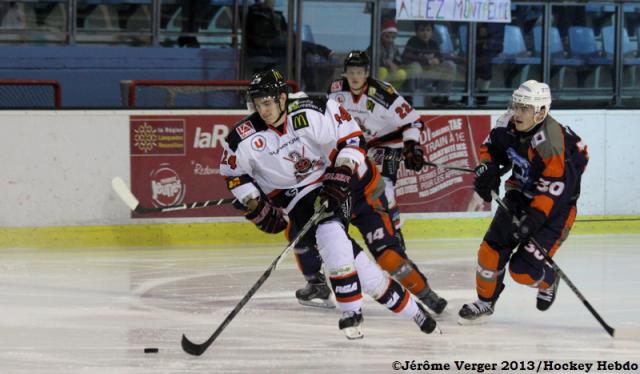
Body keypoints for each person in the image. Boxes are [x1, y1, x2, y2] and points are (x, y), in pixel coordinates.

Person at [220, 68, 438, 339]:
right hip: (295, 199)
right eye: (258, 104)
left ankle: (350, 310)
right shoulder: (241, 138)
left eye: (268, 103)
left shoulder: (314, 110)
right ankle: (415, 312)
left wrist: (342, 172)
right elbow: (234, 176)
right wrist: (254, 204)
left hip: (328, 184)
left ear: (282, 98)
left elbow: (353, 141)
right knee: (364, 270)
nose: (262, 110)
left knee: (330, 232)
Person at [295, 51, 446, 315]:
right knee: (303, 230)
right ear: (345, 73)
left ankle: (393, 236)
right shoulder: (333, 93)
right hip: (349, 153)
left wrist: (412, 146)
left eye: (360, 72)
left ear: (367, 73)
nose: (355, 77)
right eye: (350, 72)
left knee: (384, 189)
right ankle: (316, 282)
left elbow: (412, 121)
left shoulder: (383, 93)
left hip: (382, 146)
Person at [458, 80, 589, 324]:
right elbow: (492, 148)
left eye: (524, 108)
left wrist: (535, 218)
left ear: (541, 112)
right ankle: (485, 303)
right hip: (520, 195)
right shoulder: (507, 122)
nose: (517, 113)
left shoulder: (551, 142)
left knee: (523, 271)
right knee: (490, 251)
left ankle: (549, 278)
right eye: (516, 106)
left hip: (555, 210)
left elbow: (555, 191)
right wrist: (488, 169)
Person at [401, 21, 456, 104]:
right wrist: (426, 61)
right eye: (422, 30)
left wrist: (438, 60)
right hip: (415, 78)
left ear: (431, 32)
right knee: (414, 65)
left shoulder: (433, 44)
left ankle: (440, 98)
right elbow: (405, 58)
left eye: (428, 30)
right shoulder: (412, 42)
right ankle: (408, 98)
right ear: (417, 32)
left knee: (450, 65)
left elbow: (440, 57)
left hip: (429, 75)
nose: (425, 33)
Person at [369, 18, 407, 89]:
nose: (390, 39)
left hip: (390, 72)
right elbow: (373, 61)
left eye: (393, 37)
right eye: (387, 37)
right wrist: (388, 63)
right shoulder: (375, 46)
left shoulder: (394, 47)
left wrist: (395, 66)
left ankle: (391, 91)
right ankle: (379, 91)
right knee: (383, 71)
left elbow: (398, 59)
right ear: (381, 35)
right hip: (376, 72)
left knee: (402, 73)